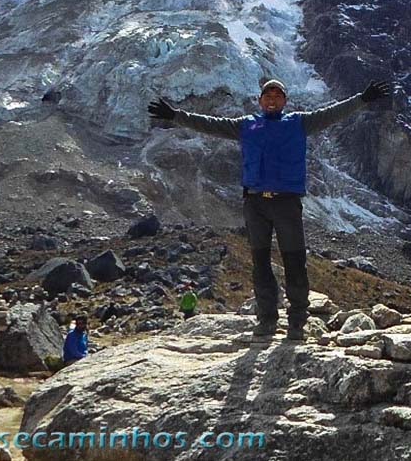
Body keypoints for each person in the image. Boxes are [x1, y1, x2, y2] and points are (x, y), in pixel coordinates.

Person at [148, 77, 391, 341]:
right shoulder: (247, 125)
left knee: (295, 262)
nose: (273, 100)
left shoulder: (299, 123)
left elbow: (332, 113)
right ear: (260, 100)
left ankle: (297, 322)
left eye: (278, 96)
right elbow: (210, 124)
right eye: (268, 96)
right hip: (255, 203)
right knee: (260, 264)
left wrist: (362, 99)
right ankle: (266, 320)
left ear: (285, 101)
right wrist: (175, 115)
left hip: (286, 202)